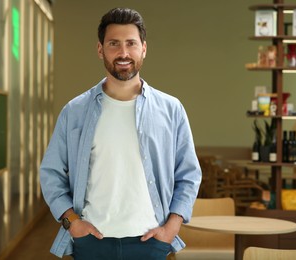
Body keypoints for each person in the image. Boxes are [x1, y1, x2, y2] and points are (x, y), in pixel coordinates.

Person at [40, 7, 201, 260]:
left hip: (151, 242)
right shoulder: (75, 111)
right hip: (91, 242)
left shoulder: (171, 110)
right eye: (114, 43)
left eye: (131, 43)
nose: (123, 53)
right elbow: (51, 173)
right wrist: (72, 222)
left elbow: (189, 174)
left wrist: (173, 226)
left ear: (144, 49)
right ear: (100, 49)